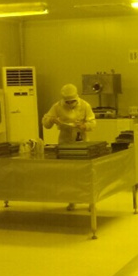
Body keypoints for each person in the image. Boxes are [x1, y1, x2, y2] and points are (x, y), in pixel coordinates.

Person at [42, 83, 97, 211]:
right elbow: (46, 123)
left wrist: (84, 126)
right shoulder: (57, 106)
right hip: (65, 142)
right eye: (67, 102)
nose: (70, 104)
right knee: (69, 173)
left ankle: (91, 201)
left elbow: (93, 122)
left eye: (72, 101)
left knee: (85, 173)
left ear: (76, 98)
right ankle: (72, 199)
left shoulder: (85, 105)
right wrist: (51, 120)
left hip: (82, 142)